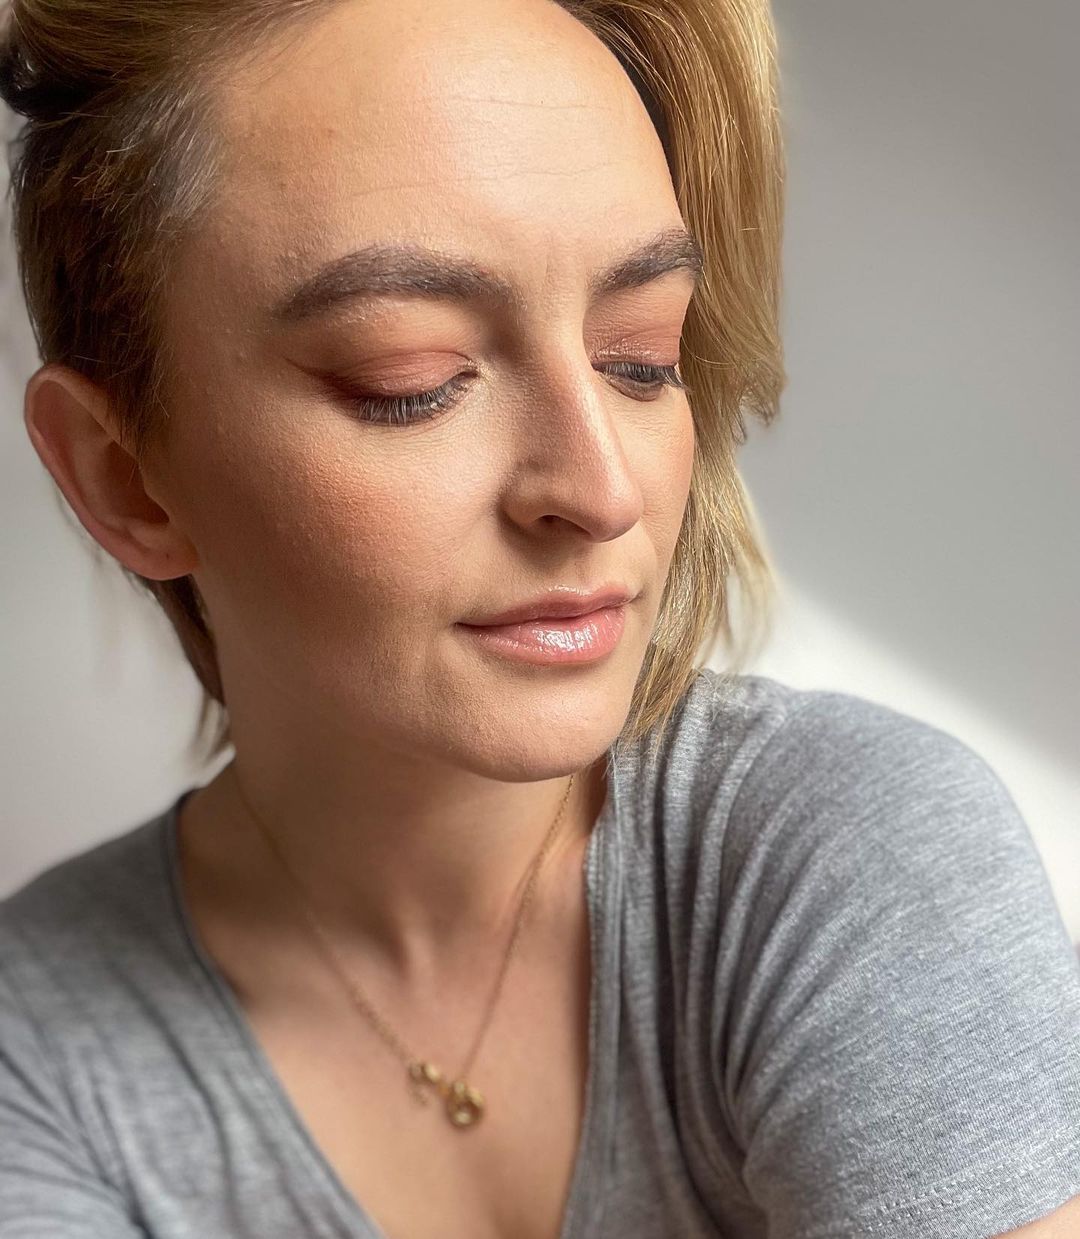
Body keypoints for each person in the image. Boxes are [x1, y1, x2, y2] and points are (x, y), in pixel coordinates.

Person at [1, 0, 1078, 1236]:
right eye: (412, 380)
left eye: (642, 357)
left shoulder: (850, 858)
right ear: (125, 479)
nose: (602, 489)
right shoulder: (37, 1059)